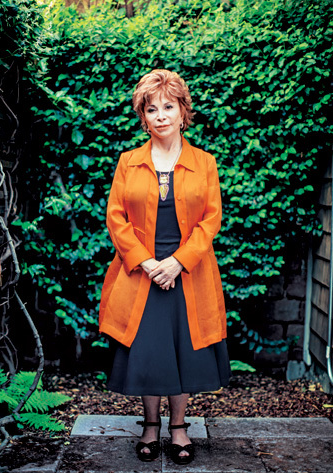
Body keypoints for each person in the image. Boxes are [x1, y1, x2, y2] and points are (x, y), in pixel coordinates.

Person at [98, 69, 231, 465]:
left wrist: (176, 263)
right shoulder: (128, 161)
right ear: (143, 116)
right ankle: (150, 425)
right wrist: (148, 262)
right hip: (142, 272)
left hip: (188, 273)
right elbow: (116, 217)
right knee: (148, 351)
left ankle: (178, 428)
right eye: (151, 108)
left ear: (182, 111)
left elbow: (211, 220)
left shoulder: (205, 163)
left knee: (182, 352)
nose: (160, 115)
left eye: (168, 107)